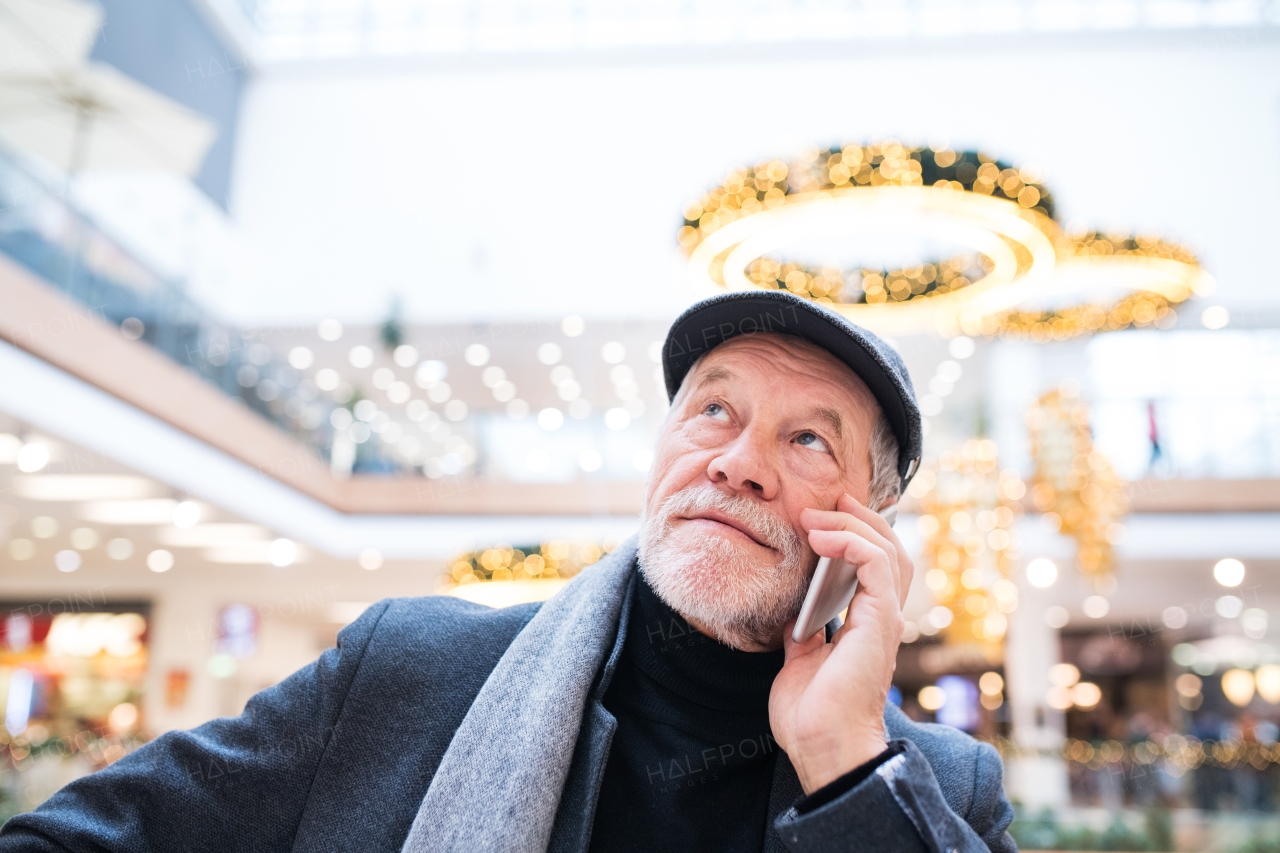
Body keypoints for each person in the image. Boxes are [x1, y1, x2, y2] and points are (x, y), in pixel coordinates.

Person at [0, 291, 1016, 852]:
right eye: (713, 408)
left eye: (806, 440)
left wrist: (842, 754)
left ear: (867, 528)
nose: (738, 460)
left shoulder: (943, 792)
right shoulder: (405, 674)